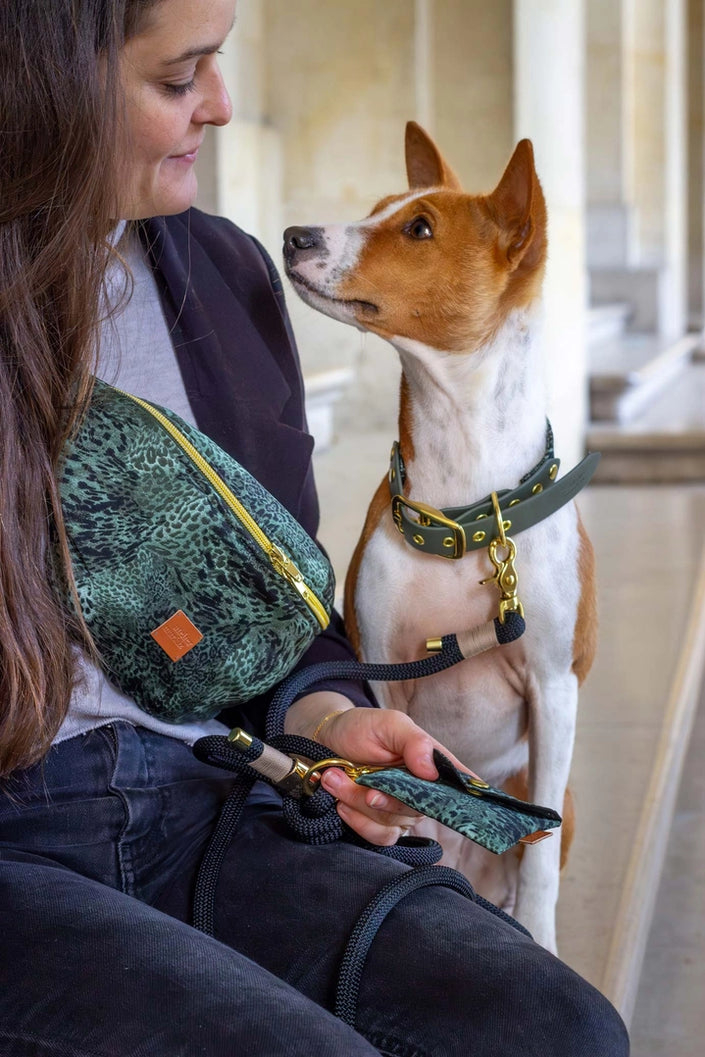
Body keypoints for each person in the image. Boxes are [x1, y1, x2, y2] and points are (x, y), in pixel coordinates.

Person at [0, 2, 630, 1054]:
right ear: (45, 78)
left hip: (211, 795)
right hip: (22, 842)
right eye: (178, 78)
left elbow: (278, 623)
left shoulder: (225, 277)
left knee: (562, 1026)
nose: (224, 105)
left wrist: (332, 716)